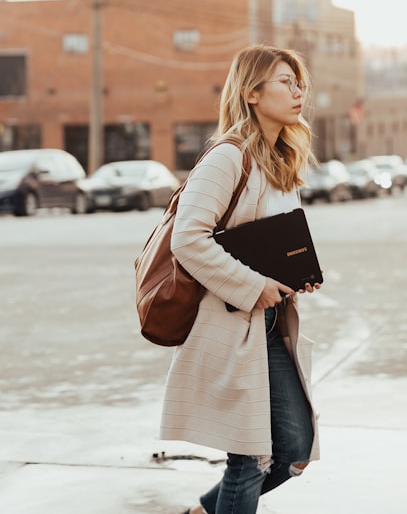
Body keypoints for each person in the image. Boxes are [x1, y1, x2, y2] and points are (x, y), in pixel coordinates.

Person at [163, 44, 321, 514]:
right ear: (252, 93)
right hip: (234, 323)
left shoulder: (278, 159)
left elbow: (265, 240)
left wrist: (296, 274)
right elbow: (187, 240)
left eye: (299, 84)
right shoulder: (227, 157)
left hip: (270, 323)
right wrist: (255, 286)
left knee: (293, 452)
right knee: (250, 456)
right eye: (285, 83)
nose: (297, 93)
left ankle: (204, 512)